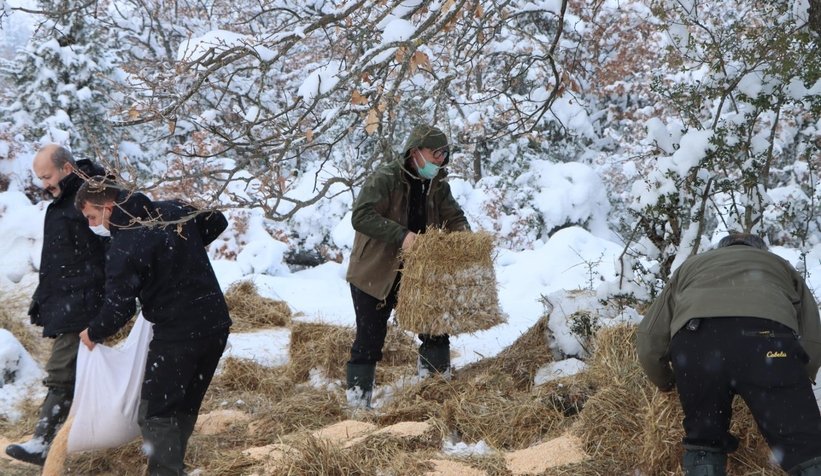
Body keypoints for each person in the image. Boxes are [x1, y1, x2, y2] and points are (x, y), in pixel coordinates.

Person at [74, 180, 231, 476]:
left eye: (92, 217)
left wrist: (93, 332)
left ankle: (165, 472)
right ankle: (173, 466)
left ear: (108, 207)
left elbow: (119, 307)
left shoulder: (125, 245)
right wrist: (186, 247)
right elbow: (217, 220)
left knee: (157, 412)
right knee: (183, 402)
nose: (92, 224)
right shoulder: (172, 211)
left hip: (179, 331)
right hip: (216, 323)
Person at [637, 233, 821, 476]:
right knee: (806, 447)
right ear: (760, 251)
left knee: (704, 440)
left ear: (719, 250)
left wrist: (667, 381)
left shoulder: (691, 266)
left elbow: (649, 337)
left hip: (697, 345)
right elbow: (811, 335)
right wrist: (794, 380)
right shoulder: (779, 266)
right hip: (767, 342)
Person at [345, 123, 470, 407]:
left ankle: (434, 396)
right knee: (369, 340)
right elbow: (361, 216)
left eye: (444, 153)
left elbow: (455, 217)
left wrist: (466, 241)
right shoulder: (385, 178)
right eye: (435, 152)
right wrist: (402, 236)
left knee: (435, 330)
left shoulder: (437, 185)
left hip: (417, 273)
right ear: (415, 152)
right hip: (374, 273)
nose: (440, 158)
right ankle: (357, 405)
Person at [5, 145, 106, 466]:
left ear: (66, 168)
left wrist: (104, 299)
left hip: (85, 302)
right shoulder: (65, 201)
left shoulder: (90, 198)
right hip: (68, 300)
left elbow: (106, 251)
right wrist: (45, 297)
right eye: (39, 178)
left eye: (47, 176)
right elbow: (63, 258)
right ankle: (81, 438)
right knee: (83, 373)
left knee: (62, 372)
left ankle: (43, 442)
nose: (43, 184)